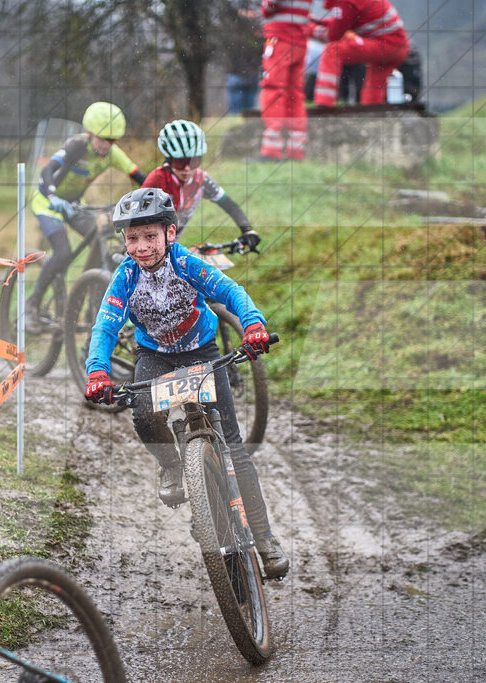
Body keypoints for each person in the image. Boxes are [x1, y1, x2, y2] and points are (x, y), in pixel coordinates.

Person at [83, 187, 289, 579]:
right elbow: (105, 326)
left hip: (202, 351)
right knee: (143, 415)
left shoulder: (186, 263)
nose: (141, 247)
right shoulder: (124, 276)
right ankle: (172, 467)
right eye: (132, 239)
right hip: (155, 357)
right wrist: (97, 371)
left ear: (170, 234)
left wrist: (253, 323)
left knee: (233, 446)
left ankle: (264, 538)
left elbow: (230, 291)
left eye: (149, 237)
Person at [28, 101, 146, 324]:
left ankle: (88, 299)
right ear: (90, 133)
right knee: (63, 252)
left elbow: (142, 178)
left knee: (98, 236)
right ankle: (32, 305)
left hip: (74, 205)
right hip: (47, 202)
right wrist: (52, 196)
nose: (106, 145)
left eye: (111, 140)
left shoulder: (112, 153)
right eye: (102, 139)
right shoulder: (77, 145)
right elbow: (48, 171)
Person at [142, 119, 261, 251]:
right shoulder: (158, 179)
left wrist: (247, 230)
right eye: (180, 162)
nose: (187, 169)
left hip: (170, 247)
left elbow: (230, 205)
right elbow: (138, 220)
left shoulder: (201, 179)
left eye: (193, 162)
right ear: (169, 160)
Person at [311, 0, 410, 108]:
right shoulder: (348, 4)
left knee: (333, 50)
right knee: (372, 97)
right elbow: (341, 23)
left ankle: (324, 104)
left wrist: (307, 30)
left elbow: (332, 35)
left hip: (387, 45)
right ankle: (373, 114)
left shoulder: (346, 2)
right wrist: (318, 22)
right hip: (397, 47)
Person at [258, 0, 312, 161]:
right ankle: (296, 151)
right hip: (299, 41)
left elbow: (268, 7)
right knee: (295, 94)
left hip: (280, 38)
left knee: (273, 89)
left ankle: (271, 151)